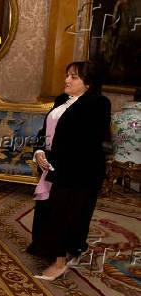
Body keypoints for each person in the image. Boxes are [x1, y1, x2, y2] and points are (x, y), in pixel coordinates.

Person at [27, 61, 111, 280]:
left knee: (66, 214)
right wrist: (38, 152)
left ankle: (60, 262)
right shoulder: (61, 100)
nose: (67, 80)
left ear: (88, 83)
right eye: (67, 75)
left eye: (73, 77)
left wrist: (51, 157)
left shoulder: (98, 103)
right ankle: (48, 248)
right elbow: (45, 131)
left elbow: (84, 141)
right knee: (49, 209)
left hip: (79, 171)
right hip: (54, 166)